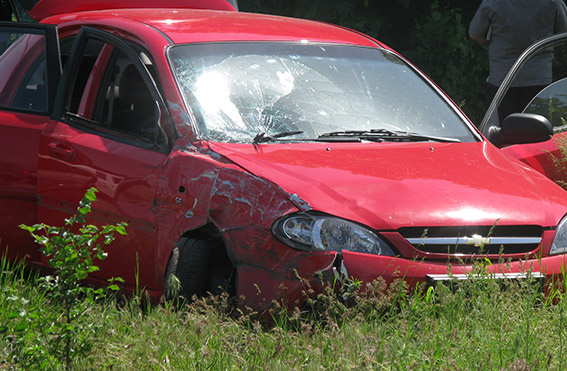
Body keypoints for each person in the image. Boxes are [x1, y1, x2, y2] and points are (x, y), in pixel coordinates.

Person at [469, 0, 567, 121]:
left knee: (501, 132)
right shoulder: (553, 2)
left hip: (502, 79)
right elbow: (562, 33)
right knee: (536, 132)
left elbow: (475, 34)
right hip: (539, 79)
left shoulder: (493, 2)